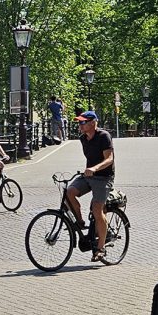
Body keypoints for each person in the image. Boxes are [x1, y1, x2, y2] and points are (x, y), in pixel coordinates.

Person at [65, 111, 114, 262]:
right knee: (69, 192)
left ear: (93, 123)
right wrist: (89, 171)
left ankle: (100, 248)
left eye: (83, 122)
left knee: (97, 209)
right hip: (89, 176)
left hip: (103, 177)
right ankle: (80, 223)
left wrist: (94, 168)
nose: (80, 125)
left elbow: (109, 159)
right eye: (79, 122)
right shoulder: (83, 138)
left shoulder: (104, 136)